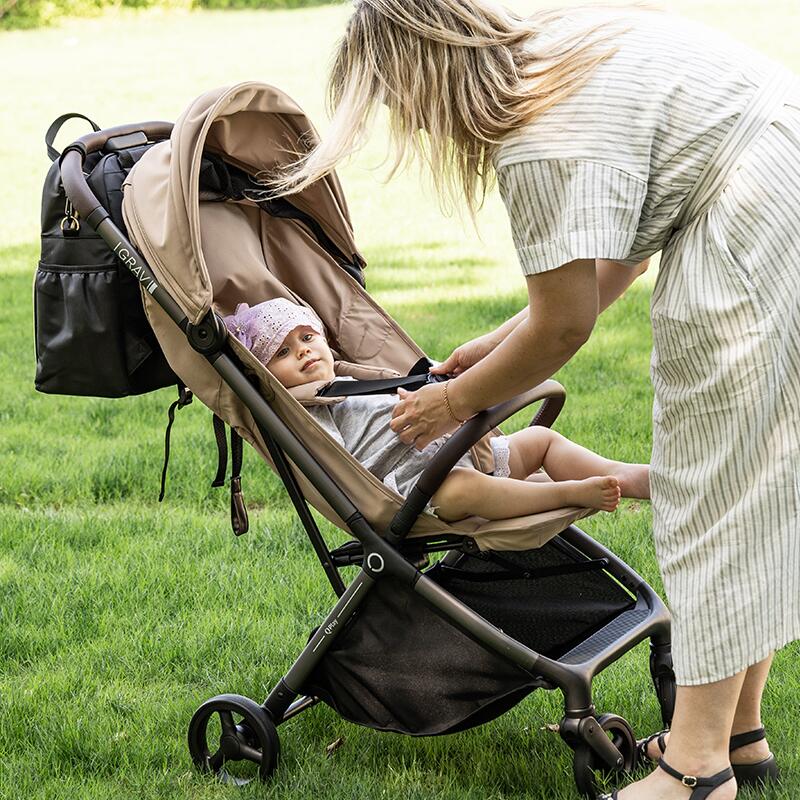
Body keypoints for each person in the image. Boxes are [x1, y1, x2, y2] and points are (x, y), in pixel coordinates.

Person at [269, 2, 800, 797]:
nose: (410, 122)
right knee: (749, 485)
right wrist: (497, 346)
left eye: (396, 101)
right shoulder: (557, 49)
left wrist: (454, 404)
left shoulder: (533, 130)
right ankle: (736, 736)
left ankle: (695, 771)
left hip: (751, 217)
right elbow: (613, 266)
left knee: (710, 498)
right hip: (782, 165)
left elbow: (564, 328)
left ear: (420, 72)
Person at [223, 298, 650, 521]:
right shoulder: (307, 414)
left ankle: (626, 476)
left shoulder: (355, 378)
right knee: (465, 490)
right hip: (419, 488)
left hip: (463, 449)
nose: (302, 351)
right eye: (282, 352)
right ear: (266, 374)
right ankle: (566, 492)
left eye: (307, 338)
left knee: (540, 440)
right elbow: (336, 468)